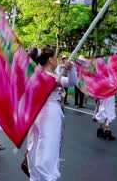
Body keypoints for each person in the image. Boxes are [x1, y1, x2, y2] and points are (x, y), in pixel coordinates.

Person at [27, 47, 76, 181]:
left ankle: (36, 177)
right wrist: (72, 70)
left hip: (35, 113)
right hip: (49, 114)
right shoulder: (51, 78)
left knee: (34, 146)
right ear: (50, 60)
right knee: (48, 147)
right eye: (55, 57)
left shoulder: (35, 75)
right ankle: (46, 177)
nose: (57, 60)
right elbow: (72, 82)